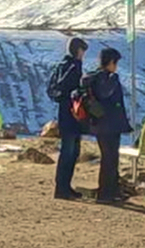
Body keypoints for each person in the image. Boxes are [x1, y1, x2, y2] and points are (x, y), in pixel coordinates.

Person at [82, 47, 131, 204]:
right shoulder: (106, 78)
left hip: (99, 124)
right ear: (110, 62)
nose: (116, 66)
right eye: (115, 63)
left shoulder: (93, 77)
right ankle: (106, 193)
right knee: (110, 158)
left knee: (109, 158)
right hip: (108, 125)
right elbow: (105, 94)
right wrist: (113, 78)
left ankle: (110, 191)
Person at [47, 37, 88, 200]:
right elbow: (71, 89)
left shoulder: (60, 66)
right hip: (72, 114)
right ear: (78, 51)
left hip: (63, 113)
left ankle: (63, 186)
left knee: (69, 150)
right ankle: (63, 187)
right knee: (70, 151)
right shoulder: (74, 66)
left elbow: (53, 90)